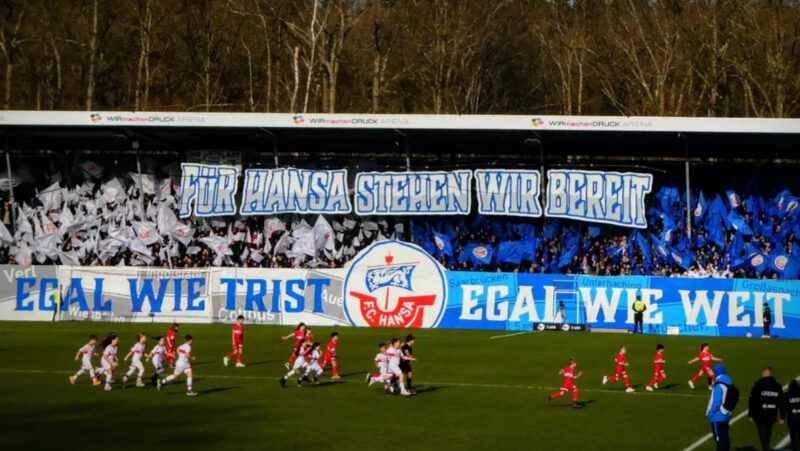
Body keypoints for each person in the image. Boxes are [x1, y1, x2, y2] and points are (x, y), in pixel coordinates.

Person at [749, 366, 784, 451]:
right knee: (768, 432)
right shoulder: (777, 386)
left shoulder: (757, 384)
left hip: (760, 414)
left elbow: (752, 400)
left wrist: (751, 414)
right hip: (772, 413)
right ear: (772, 374)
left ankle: (766, 448)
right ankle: (766, 447)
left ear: (762, 373)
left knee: (762, 433)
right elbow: (781, 401)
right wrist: (782, 416)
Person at [707, 364, 734, 451]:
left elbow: (717, 402)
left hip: (717, 416)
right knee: (724, 438)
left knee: (720, 441)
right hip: (726, 414)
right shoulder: (729, 382)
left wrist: (710, 413)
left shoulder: (719, 384)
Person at [781, 379, 800, 451]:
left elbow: (783, 407)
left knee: (793, 436)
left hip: (792, 419)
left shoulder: (786, 394)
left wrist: (782, 417)